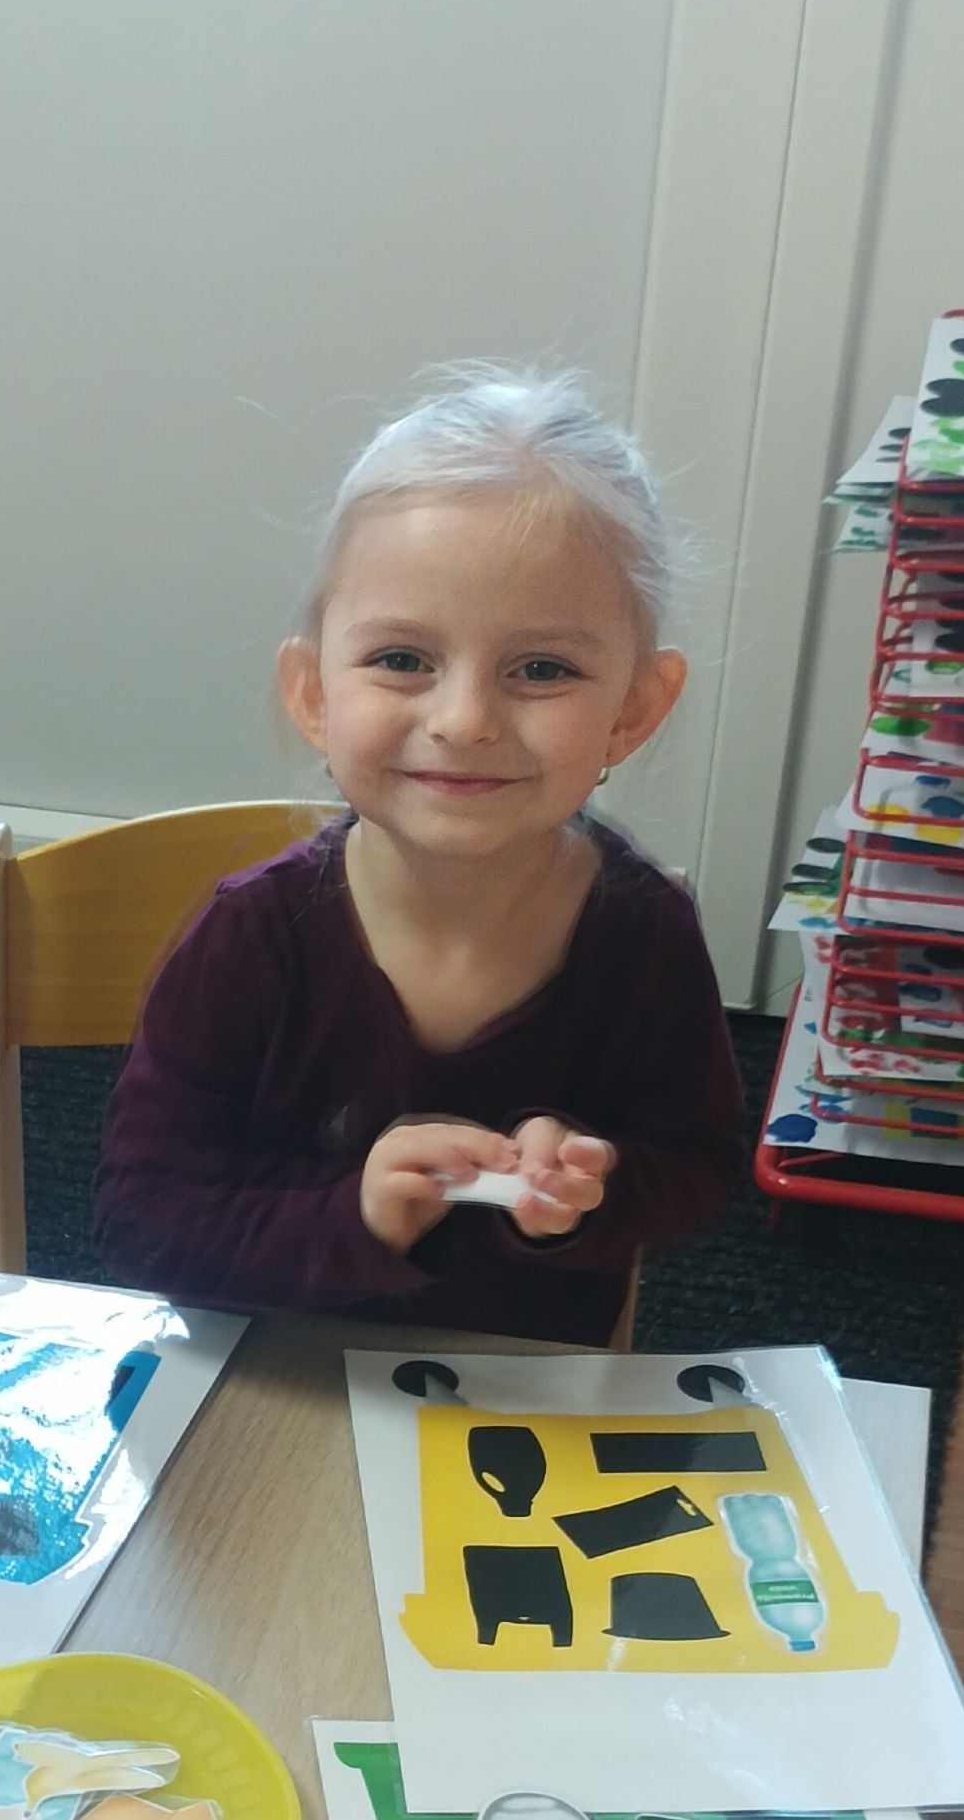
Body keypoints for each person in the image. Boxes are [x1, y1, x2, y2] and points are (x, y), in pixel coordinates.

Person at [93, 369, 743, 1340]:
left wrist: (591, 1187)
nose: (465, 719)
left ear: (633, 710)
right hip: (266, 1378)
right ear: (315, 696)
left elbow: (694, 1171)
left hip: (516, 1397)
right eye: (402, 659)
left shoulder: (643, 933)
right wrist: (356, 1215)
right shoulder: (249, 937)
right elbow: (141, 1223)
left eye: (541, 669)